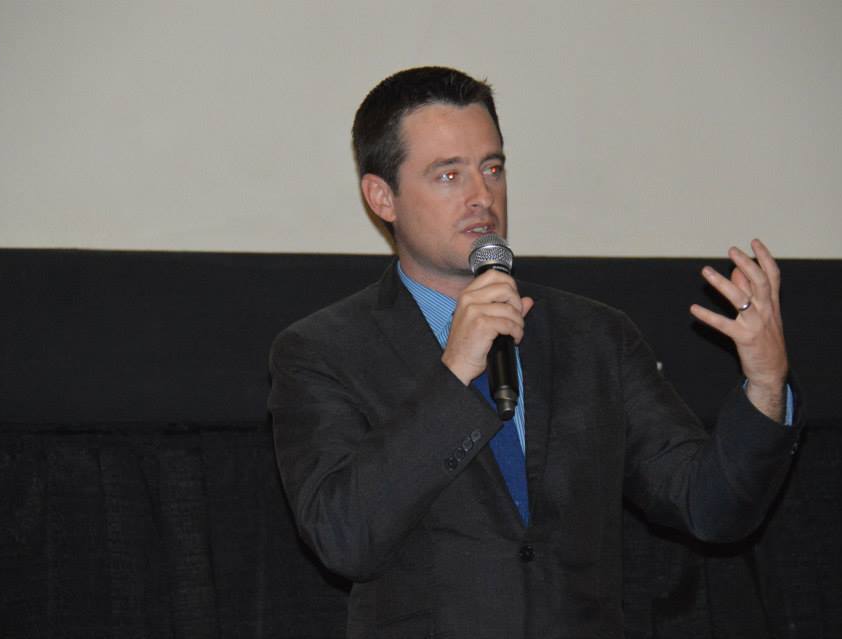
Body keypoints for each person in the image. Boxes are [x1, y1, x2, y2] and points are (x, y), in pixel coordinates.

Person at [268, 66, 802, 639]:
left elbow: (710, 507)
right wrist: (456, 373)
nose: (481, 196)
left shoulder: (595, 335)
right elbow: (343, 538)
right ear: (382, 197)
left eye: (492, 168)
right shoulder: (322, 351)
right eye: (448, 175)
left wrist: (766, 383)